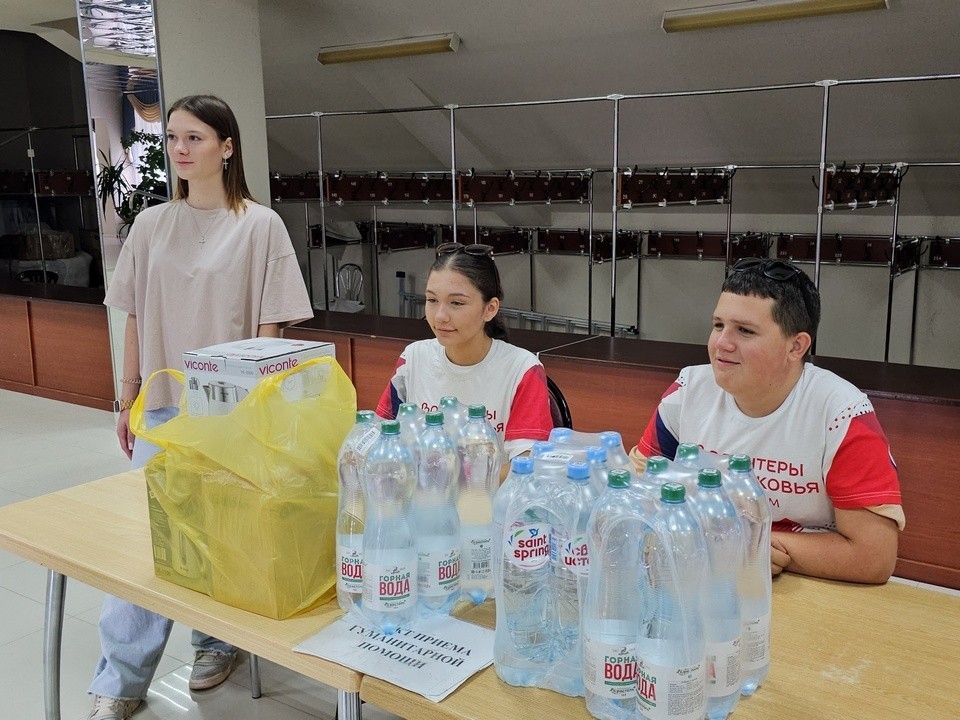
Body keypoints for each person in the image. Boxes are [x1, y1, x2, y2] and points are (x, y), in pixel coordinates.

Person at [89, 95, 313, 720]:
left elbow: (271, 328)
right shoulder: (152, 224)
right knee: (152, 546)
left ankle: (216, 643)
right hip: (164, 408)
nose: (181, 150)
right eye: (174, 139)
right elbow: (134, 313)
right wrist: (126, 394)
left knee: (227, 539)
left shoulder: (259, 226)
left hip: (232, 413)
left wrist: (256, 413)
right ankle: (121, 682)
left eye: (195, 138)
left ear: (227, 146)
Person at [630, 257, 903, 585]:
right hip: (707, 578)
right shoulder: (687, 392)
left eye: (744, 330)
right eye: (718, 325)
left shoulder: (841, 413)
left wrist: (752, 546)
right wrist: (731, 546)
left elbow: (874, 557)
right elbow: (636, 498)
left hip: (808, 587)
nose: (721, 344)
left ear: (796, 346)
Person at [375, 242, 553, 460]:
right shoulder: (412, 360)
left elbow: (526, 466)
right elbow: (381, 439)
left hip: (488, 494)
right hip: (423, 493)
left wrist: (452, 480)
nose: (440, 316)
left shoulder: (522, 369)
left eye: (457, 303)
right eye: (432, 300)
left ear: (490, 309)